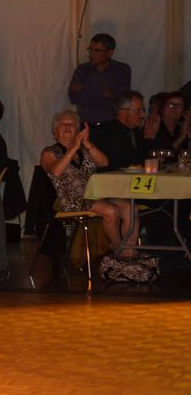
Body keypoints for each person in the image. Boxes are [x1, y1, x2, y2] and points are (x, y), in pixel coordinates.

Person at [41, 109, 135, 256]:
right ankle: (117, 247)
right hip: (70, 199)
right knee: (111, 211)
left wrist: (86, 143)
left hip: (95, 195)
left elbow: (104, 162)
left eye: (72, 125)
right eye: (63, 124)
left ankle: (130, 251)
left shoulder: (85, 149)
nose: (67, 127)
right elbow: (56, 171)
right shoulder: (49, 152)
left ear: (78, 130)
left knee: (130, 207)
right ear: (55, 130)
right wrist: (73, 149)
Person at [68, 32, 131, 127]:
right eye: (90, 50)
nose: (92, 54)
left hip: (112, 126)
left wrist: (85, 89)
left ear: (109, 53)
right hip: (86, 126)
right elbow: (74, 98)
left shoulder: (121, 70)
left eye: (97, 51)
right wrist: (105, 93)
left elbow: (123, 100)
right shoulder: (82, 69)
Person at [91, 91, 147, 171]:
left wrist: (149, 140)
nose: (142, 115)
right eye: (138, 111)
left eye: (143, 111)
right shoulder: (104, 134)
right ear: (123, 112)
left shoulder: (137, 133)